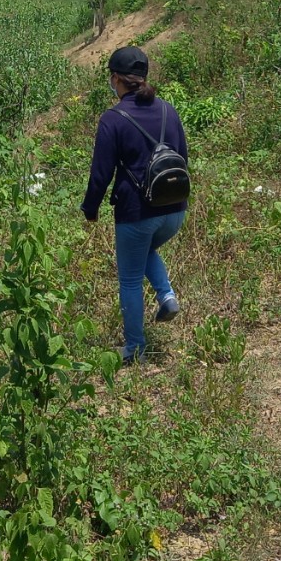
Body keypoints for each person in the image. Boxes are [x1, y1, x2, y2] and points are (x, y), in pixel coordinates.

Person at [81, 45, 189, 364]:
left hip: (135, 213)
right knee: (147, 251)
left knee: (129, 278)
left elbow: (101, 173)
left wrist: (91, 208)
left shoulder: (113, 119)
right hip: (175, 210)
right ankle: (166, 295)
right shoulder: (170, 110)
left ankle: (134, 349)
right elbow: (182, 158)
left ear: (116, 79)